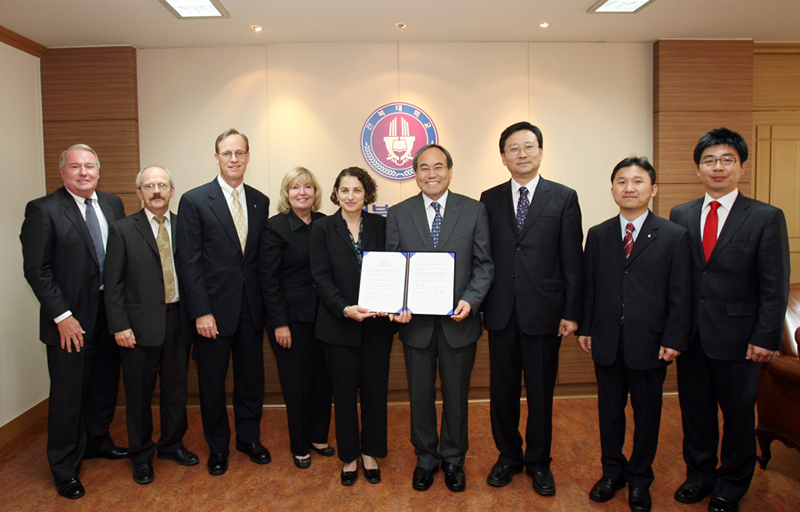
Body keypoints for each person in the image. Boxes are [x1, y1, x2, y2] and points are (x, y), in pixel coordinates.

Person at [670, 128, 790, 512]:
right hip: (693, 337)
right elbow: (679, 280)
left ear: (741, 166)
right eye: (709, 160)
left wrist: (766, 336)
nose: (718, 167)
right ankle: (699, 476)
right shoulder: (681, 214)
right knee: (696, 413)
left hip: (741, 339)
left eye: (727, 160)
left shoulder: (766, 217)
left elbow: (775, 285)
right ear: (698, 168)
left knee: (738, 417)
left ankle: (731, 485)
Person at [577, 157, 691, 512]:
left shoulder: (673, 235)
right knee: (609, 413)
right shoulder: (598, 234)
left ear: (653, 189)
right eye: (622, 181)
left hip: (651, 343)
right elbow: (589, 286)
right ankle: (612, 473)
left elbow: (681, 293)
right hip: (607, 341)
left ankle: (640, 478)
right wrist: (586, 327)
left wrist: (674, 338)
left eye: (638, 181)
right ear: (612, 189)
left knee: (647, 415)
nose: (630, 188)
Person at [479, 121, 583, 495]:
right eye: (513, 148)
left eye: (528, 146)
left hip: (545, 312)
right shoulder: (489, 198)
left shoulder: (564, 197)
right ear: (502, 156)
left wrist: (571, 312)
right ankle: (508, 455)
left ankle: (539, 462)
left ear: (540, 151)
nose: (521, 154)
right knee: (502, 391)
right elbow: (483, 256)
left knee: (540, 393)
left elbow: (573, 260)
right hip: (501, 312)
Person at [20, 144, 127, 499]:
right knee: (68, 396)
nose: (84, 173)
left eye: (90, 166)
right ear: (62, 171)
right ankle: (64, 467)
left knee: (103, 386)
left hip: (109, 315)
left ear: (99, 171)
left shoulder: (112, 204)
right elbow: (37, 270)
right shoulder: (43, 210)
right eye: (75, 166)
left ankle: (97, 441)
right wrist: (62, 317)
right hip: (70, 320)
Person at [386, 144, 493, 493]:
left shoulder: (474, 210)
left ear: (449, 170)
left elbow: (484, 264)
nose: (431, 174)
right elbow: (394, 266)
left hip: (458, 323)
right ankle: (425, 458)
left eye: (438, 167)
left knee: (456, 397)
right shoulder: (398, 213)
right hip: (415, 325)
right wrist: (398, 302)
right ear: (414, 173)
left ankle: (454, 459)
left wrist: (470, 301)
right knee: (419, 397)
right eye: (424, 168)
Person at [175, 128, 271, 476]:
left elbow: (257, 260)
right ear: (216, 157)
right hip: (212, 313)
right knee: (212, 385)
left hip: (251, 310)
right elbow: (189, 262)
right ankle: (218, 447)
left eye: (239, 153)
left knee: (251, 381)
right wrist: (201, 311)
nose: (234, 159)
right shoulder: (194, 200)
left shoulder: (260, 200)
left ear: (248, 157)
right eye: (227, 153)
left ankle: (249, 439)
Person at [104, 165, 199, 485]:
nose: (156, 191)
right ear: (139, 193)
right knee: (139, 395)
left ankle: (172, 444)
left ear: (172, 191)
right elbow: (113, 284)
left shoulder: (185, 226)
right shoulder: (122, 229)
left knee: (176, 390)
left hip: (178, 322)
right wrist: (120, 325)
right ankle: (141, 454)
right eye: (149, 186)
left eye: (162, 185)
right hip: (138, 327)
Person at [309, 167, 395, 486]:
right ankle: (349, 456)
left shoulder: (381, 226)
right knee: (344, 395)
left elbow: (392, 268)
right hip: (338, 326)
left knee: (374, 393)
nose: (350, 196)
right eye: (344, 190)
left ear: (367, 194)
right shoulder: (322, 228)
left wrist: (390, 301)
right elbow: (321, 277)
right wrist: (345, 309)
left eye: (357, 190)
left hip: (376, 327)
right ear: (335, 193)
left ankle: (370, 453)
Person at [260, 167, 334, 469]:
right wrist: (280, 323)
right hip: (290, 321)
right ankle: (300, 445)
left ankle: (318, 437)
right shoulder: (275, 227)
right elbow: (269, 281)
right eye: (295, 187)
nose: (302, 192)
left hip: (326, 318)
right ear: (286, 194)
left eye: (308, 187)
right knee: (297, 385)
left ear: (316, 192)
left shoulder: (327, 223)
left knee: (323, 381)